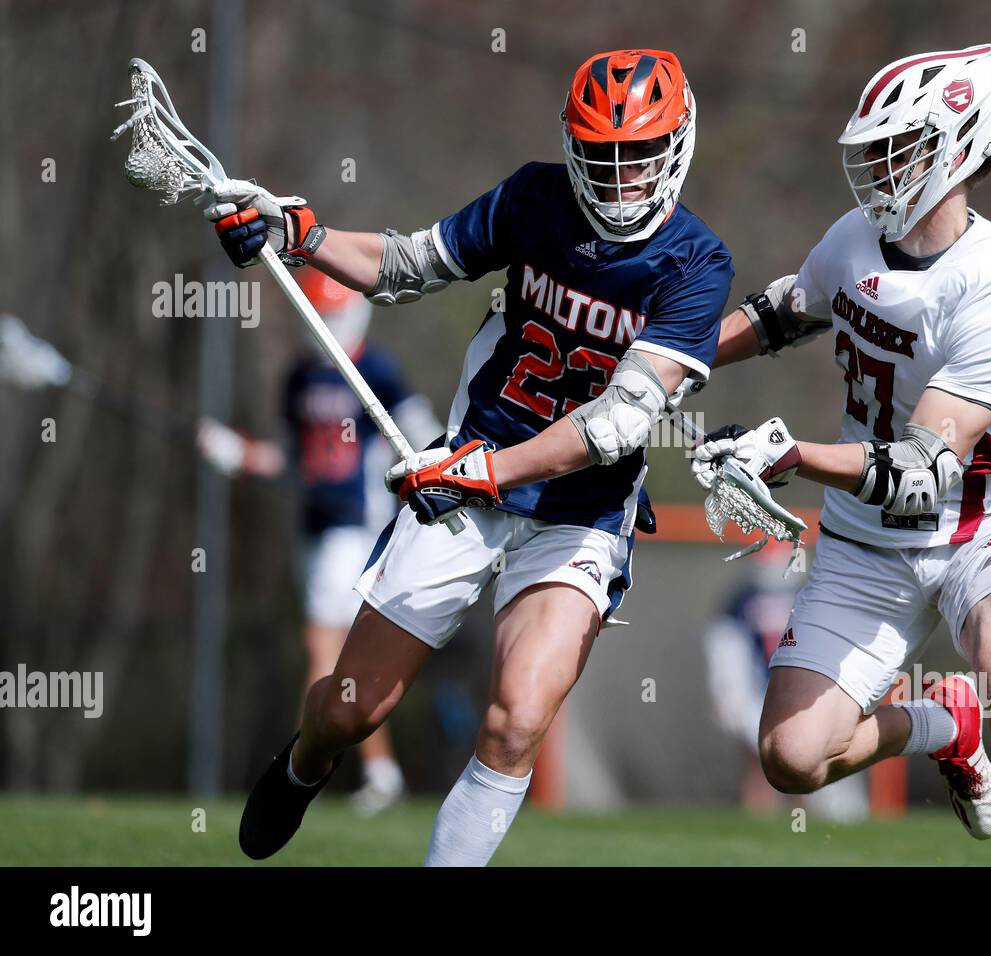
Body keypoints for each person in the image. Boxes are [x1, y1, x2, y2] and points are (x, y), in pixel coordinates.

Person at [205, 49, 733, 865]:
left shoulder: (698, 262)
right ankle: (306, 763)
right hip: (471, 479)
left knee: (517, 716)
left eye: (639, 158)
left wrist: (485, 472)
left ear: (677, 148)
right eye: (602, 156)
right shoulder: (533, 196)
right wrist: (297, 232)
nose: (620, 177)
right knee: (349, 710)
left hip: (576, 511)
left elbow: (617, 425)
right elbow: (411, 265)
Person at [692, 45, 991, 865]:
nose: (878, 166)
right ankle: (942, 725)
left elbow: (920, 471)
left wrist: (790, 453)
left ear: (959, 147)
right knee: (791, 758)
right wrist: (665, 367)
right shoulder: (854, 238)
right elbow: (782, 314)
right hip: (868, 542)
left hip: (980, 531)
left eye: (900, 147)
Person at [197, 270, 440, 816]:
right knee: (340, 659)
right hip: (312, 526)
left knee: (320, 645)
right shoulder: (300, 379)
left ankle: (298, 772)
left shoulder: (375, 371)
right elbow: (292, 460)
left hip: (357, 527)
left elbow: (423, 438)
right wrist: (239, 455)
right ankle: (382, 772)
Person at [702, 547, 868, 822]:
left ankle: (804, 819)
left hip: (794, 692)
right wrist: (729, 693)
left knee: (787, 762)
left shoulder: (798, 596)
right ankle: (772, 822)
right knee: (772, 763)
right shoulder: (746, 599)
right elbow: (726, 649)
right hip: (765, 693)